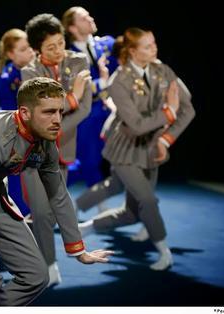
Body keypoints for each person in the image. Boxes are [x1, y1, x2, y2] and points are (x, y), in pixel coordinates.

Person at [0, 77, 113, 306]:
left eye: (60, 111)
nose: (57, 120)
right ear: (25, 113)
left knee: (38, 276)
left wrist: (79, 250)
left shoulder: (46, 141)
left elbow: (58, 195)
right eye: (48, 112)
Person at [78, 28, 195, 271]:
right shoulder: (118, 81)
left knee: (132, 213)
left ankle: (86, 227)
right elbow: (137, 125)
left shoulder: (162, 70)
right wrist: (167, 113)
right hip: (125, 148)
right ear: (132, 51)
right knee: (148, 200)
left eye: (154, 44)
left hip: (152, 148)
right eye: (147, 46)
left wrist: (165, 140)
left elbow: (188, 108)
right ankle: (165, 252)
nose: (154, 49)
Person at [20, 13, 92, 286]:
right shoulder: (29, 72)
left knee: (51, 210)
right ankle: (48, 267)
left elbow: (84, 109)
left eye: (61, 43)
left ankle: (11, 241)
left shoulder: (78, 61)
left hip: (63, 150)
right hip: (33, 151)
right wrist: (72, 94)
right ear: (38, 49)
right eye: (51, 47)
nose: (59, 50)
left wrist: (56, 127)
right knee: (40, 211)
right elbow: (38, 114)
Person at [62, 6, 119, 186]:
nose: (90, 19)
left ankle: (137, 205)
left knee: (128, 158)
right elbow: (71, 89)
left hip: (116, 110)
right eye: (83, 18)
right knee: (88, 160)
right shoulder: (66, 56)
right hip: (88, 113)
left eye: (89, 15)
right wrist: (101, 83)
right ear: (72, 27)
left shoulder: (108, 44)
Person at [0, 28, 35, 217]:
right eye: (23, 49)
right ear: (11, 54)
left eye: (30, 47)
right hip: (15, 131)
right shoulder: (7, 78)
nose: (30, 51)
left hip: (31, 130)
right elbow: (14, 112)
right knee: (18, 175)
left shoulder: (34, 69)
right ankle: (20, 214)